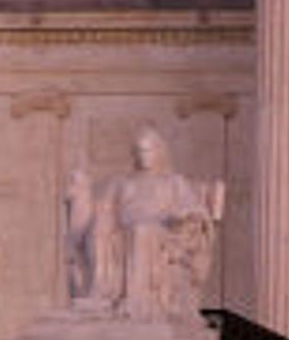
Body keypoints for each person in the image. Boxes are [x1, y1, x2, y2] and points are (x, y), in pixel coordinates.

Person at [65, 126, 227, 319]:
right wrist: (82, 193)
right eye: (140, 151)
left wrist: (181, 216)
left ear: (159, 152)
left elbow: (197, 212)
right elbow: (102, 208)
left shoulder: (175, 182)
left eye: (148, 150)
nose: (144, 156)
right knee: (100, 228)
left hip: (165, 236)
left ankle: (136, 303)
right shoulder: (122, 182)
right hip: (121, 237)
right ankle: (98, 290)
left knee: (141, 231)